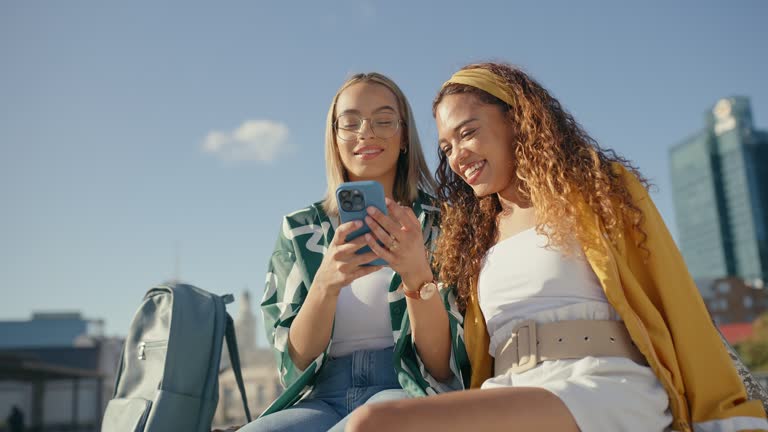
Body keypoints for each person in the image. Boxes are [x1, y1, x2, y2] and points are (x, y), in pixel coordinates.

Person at [345, 62, 768, 432]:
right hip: (508, 390)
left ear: (516, 120)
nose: (457, 156)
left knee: (373, 424)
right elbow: (443, 366)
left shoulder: (598, 189)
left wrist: (726, 417)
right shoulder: (472, 233)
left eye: (468, 132)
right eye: (446, 147)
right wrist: (416, 272)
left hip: (599, 385)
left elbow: (678, 302)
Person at [238, 72, 467, 432]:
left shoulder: (444, 224)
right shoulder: (299, 230)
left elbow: (443, 368)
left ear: (404, 135)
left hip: (406, 388)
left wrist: (416, 274)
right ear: (334, 136)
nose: (366, 132)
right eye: (350, 122)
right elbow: (292, 366)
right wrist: (324, 284)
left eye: (384, 120)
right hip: (320, 396)